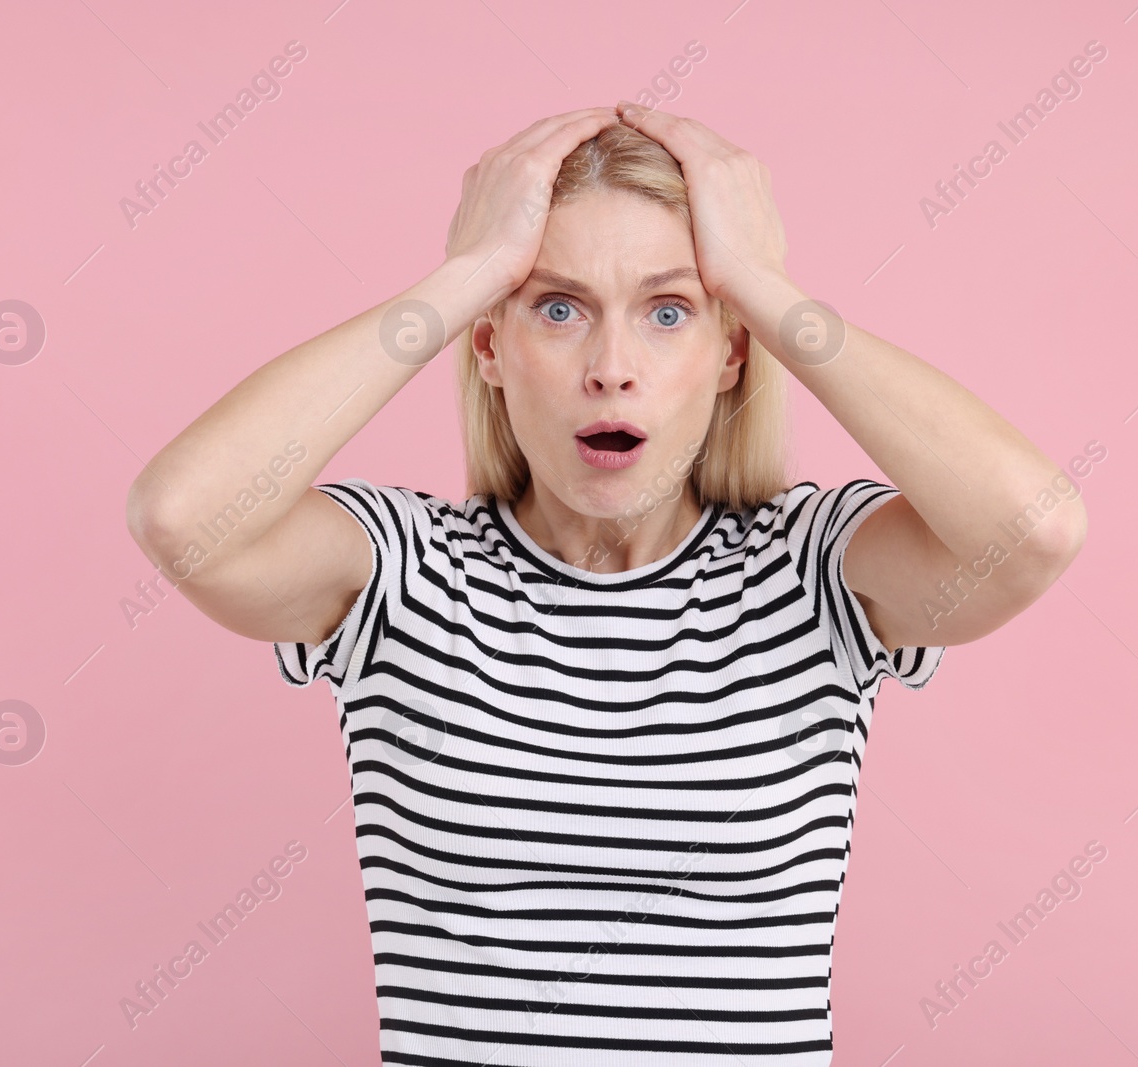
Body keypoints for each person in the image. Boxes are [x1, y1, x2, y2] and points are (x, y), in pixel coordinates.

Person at [126, 102, 1087, 1065]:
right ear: (491, 347)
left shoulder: (811, 572)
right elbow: (181, 516)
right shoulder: (404, 574)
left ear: (731, 353)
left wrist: (763, 285)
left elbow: (1034, 529)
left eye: (669, 313)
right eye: (557, 308)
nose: (612, 369)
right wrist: (462, 278)